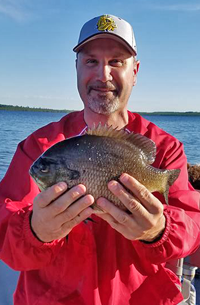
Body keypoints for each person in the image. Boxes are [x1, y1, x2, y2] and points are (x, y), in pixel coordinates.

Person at [0, 14, 200, 305]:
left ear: (135, 71)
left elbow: (193, 226)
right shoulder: (38, 147)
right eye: (91, 61)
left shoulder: (166, 148)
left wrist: (159, 230)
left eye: (116, 61)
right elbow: (5, 231)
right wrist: (35, 230)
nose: (103, 75)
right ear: (77, 68)